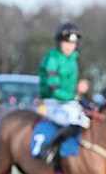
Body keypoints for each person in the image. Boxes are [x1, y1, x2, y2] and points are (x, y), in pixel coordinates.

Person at [38, 21, 90, 165]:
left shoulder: (73, 59)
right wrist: (72, 97)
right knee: (73, 123)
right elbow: (53, 88)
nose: (69, 46)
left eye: (72, 43)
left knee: (88, 121)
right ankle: (49, 148)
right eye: (66, 42)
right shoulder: (52, 58)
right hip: (51, 102)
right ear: (59, 42)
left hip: (69, 102)